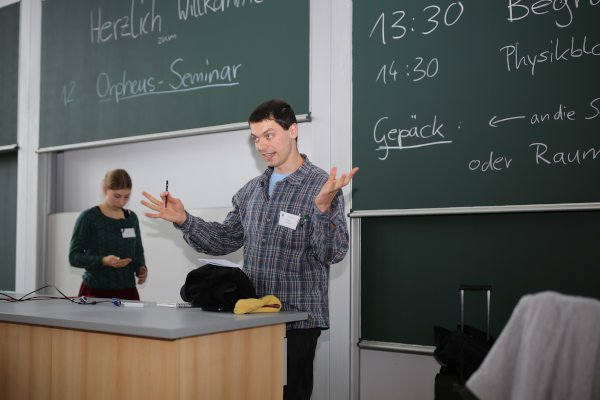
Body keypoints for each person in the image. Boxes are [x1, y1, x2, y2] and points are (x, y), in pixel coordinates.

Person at [141, 99, 358, 399]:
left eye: (269, 135)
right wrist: (184, 220)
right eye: (256, 138)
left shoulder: (322, 187)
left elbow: (332, 254)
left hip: (296, 322)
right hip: (252, 317)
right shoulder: (250, 191)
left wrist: (322, 209)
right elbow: (225, 239)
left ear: (292, 130)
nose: (262, 146)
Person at [69, 168, 148, 301]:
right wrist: (102, 261)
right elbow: (74, 257)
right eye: (117, 196)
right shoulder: (89, 218)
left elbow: (138, 251)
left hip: (128, 293)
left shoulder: (132, 218)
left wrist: (141, 268)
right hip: (95, 293)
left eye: (126, 196)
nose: (122, 202)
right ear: (105, 189)